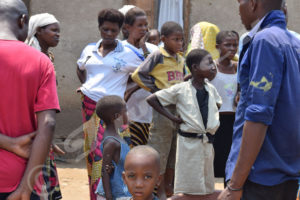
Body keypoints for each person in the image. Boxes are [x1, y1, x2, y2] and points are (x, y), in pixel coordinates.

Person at [218, 0, 300, 199]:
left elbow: (258, 115)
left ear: (253, 3)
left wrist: (235, 185)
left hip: (259, 174)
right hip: (286, 171)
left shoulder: (265, 40)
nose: (238, 8)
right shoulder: (294, 42)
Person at [0, 0, 60, 199]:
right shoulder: (40, 61)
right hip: (21, 180)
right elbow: (48, 124)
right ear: (23, 20)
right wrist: (25, 188)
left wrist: (8, 142)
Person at [76, 9, 138, 200]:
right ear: (99, 28)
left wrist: (125, 91)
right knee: (93, 156)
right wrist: (86, 85)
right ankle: (96, 196)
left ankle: (114, 195)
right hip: (89, 107)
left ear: (121, 30)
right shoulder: (89, 49)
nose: (109, 34)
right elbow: (80, 67)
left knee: (110, 155)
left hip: (113, 111)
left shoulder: (129, 53)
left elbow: (145, 75)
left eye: (113, 30)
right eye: (105, 30)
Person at [147, 49, 221, 199]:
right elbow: (152, 99)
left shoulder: (211, 89)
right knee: (188, 185)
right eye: (209, 63)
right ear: (194, 68)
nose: (213, 66)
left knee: (206, 185)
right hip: (188, 143)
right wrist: (173, 118)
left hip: (206, 142)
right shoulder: (181, 89)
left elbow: (217, 105)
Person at [131, 21, 185, 198]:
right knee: (160, 150)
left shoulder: (180, 59)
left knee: (173, 153)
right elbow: (138, 74)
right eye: (175, 39)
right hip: (162, 109)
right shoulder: (158, 55)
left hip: (179, 109)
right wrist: (156, 90)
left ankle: (169, 189)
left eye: (181, 40)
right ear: (163, 39)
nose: (179, 43)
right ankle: (159, 191)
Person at [25, 13, 63, 200]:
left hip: (43, 126)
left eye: (59, 31)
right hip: (33, 127)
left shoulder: (48, 56)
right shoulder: (33, 58)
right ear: (39, 31)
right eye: (53, 30)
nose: (58, 34)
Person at [122, 7, 158, 147]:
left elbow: (154, 72)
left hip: (150, 111)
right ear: (128, 27)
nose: (144, 29)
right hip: (127, 111)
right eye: (140, 25)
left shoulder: (153, 50)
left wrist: (143, 46)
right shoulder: (119, 48)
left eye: (145, 25)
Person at [210, 31, 239, 186]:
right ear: (217, 46)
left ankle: (229, 189)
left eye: (235, 45)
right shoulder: (211, 67)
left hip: (234, 119)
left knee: (231, 156)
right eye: (227, 45)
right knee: (217, 158)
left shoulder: (238, 67)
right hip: (216, 120)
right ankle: (217, 191)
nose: (232, 48)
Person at [95, 96, 131, 200]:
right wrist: (109, 197)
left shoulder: (117, 136)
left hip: (120, 191)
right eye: (126, 111)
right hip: (113, 194)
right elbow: (104, 171)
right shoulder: (111, 142)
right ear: (116, 116)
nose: (128, 114)